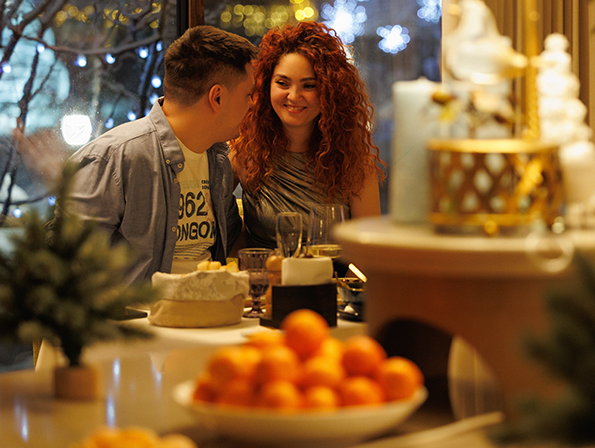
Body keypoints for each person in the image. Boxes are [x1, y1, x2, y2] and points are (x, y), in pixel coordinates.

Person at [62, 26, 258, 287]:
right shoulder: (114, 158)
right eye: (248, 95)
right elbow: (69, 266)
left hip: (213, 307)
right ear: (217, 97)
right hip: (140, 312)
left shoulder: (218, 158)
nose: (253, 104)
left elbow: (232, 241)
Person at [230, 21, 385, 255]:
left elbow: (369, 254)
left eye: (309, 85)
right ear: (265, 86)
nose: (294, 96)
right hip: (264, 277)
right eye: (282, 83)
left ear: (329, 92)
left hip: (332, 278)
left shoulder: (354, 164)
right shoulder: (245, 152)